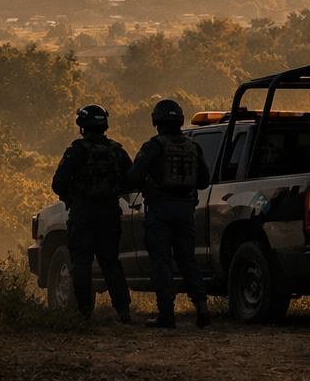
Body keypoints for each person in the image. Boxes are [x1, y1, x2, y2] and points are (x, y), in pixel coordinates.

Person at [126, 98, 212, 328]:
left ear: (157, 121)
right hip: (186, 211)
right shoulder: (193, 146)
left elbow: (133, 177)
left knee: (161, 262)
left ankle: (166, 315)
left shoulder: (153, 146)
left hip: (160, 211)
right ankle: (202, 308)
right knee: (188, 261)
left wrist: (148, 186)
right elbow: (204, 181)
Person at [51, 103, 134, 322]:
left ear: (82, 126)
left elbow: (58, 184)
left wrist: (72, 196)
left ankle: (84, 313)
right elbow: (132, 181)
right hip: (109, 213)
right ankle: (123, 311)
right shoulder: (117, 151)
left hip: (83, 213)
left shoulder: (76, 151)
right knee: (111, 262)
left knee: (82, 263)